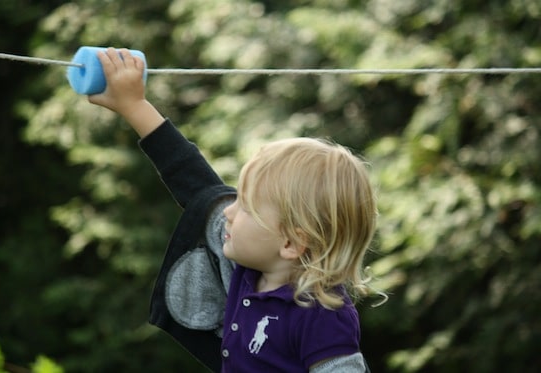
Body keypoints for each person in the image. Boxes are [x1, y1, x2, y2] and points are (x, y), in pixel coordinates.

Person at [88, 47, 383, 373]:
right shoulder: (247, 268)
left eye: (246, 207)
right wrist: (134, 106)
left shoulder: (324, 317)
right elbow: (195, 182)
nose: (229, 211)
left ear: (290, 243)